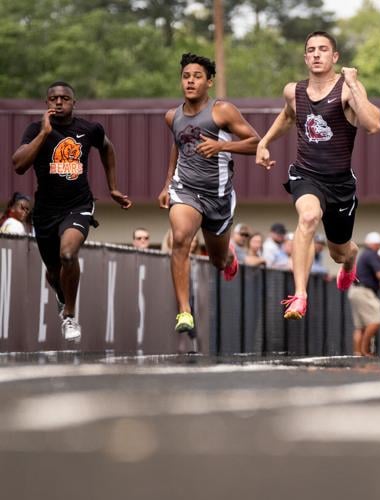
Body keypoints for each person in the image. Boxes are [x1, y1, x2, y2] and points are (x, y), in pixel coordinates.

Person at [256, 30, 380, 320]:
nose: (316, 54)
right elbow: (288, 116)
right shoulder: (294, 91)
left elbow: (373, 124)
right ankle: (300, 295)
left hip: (339, 185)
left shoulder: (348, 90)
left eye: (323, 49)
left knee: (340, 252)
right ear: (304, 57)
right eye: (311, 50)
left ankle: (350, 265)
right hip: (306, 174)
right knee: (309, 217)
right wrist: (264, 142)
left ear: (335, 57)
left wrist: (353, 84)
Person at [11, 81, 132, 341]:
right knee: (53, 272)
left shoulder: (89, 129)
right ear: (46, 103)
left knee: (68, 254)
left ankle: (69, 315)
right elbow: (18, 165)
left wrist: (113, 188)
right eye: (53, 98)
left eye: (64, 98)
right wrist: (44, 133)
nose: (58, 102)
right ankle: (61, 294)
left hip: (78, 206)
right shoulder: (35, 130)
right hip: (45, 211)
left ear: (74, 103)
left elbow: (108, 148)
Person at [157, 53, 261, 338]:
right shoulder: (172, 116)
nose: (190, 81)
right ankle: (184, 310)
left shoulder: (222, 111)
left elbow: (256, 144)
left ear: (209, 82)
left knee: (218, 261)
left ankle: (229, 257)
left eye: (197, 76)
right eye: (186, 76)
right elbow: (177, 147)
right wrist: (168, 184)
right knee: (180, 239)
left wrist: (221, 147)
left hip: (218, 196)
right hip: (186, 190)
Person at [347, 231, 380, 356]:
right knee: (377, 320)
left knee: (360, 326)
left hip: (355, 290)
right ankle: (365, 350)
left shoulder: (364, 254)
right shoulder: (372, 254)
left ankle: (357, 353)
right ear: (376, 244)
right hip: (363, 291)